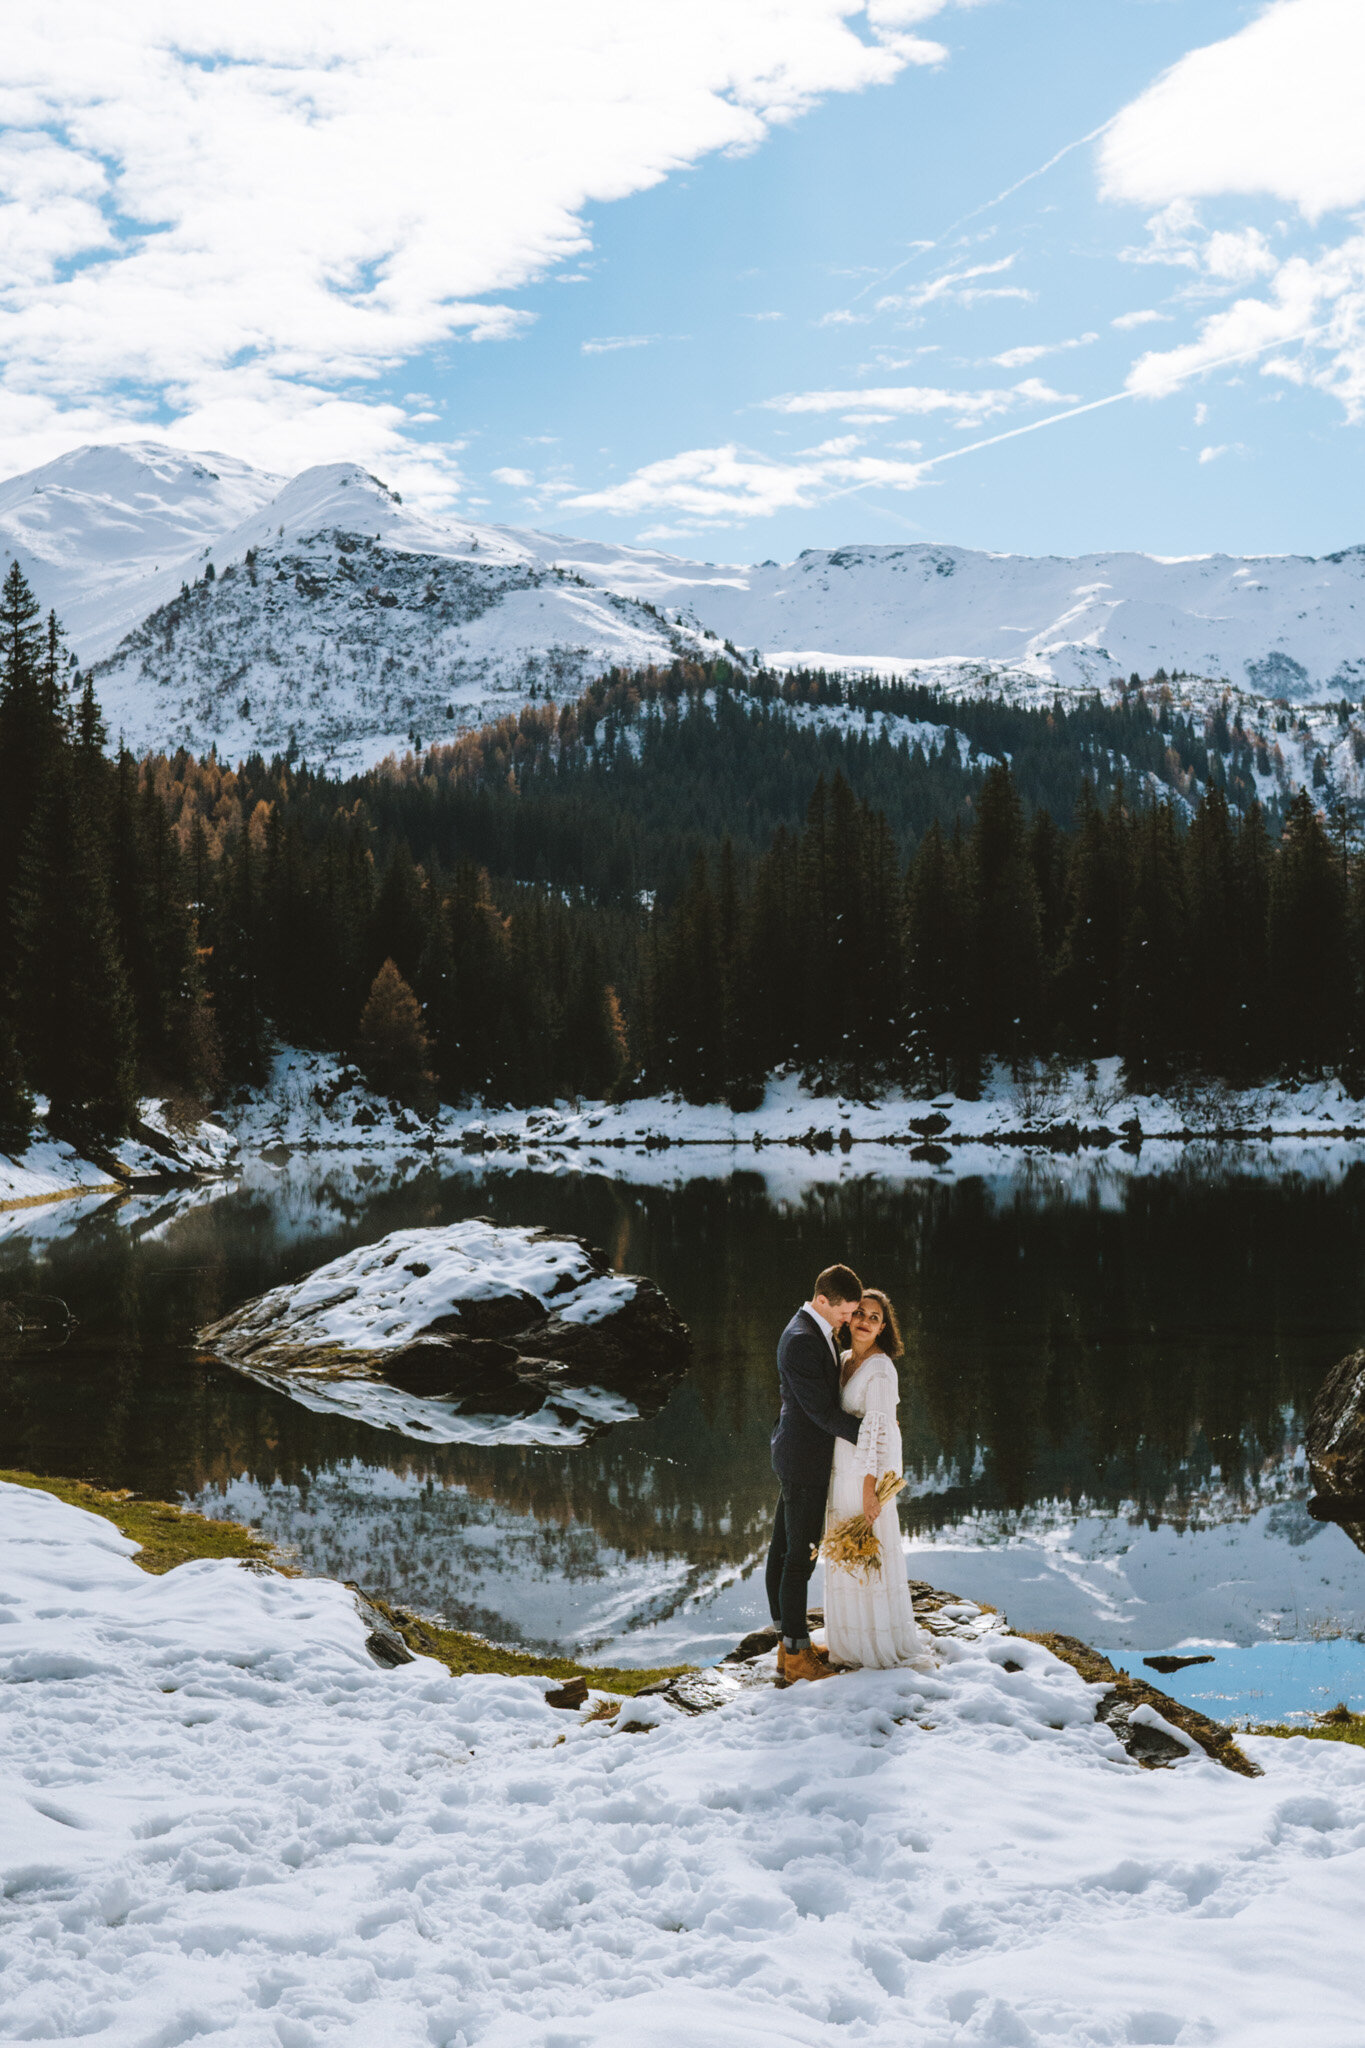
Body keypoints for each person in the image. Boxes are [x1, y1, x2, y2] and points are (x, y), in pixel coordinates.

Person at [765, 1263, 863, 1685]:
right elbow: (822, 1412)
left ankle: (790, 1643)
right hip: (803, 1459)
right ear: (823, 1301)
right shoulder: (803, 1340)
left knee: (785, 1547)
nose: (850, 1321)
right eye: (846, 1312)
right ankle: (795, 1654)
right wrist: (871, 1434)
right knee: (799, 1558)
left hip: (795, 1453)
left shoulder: (810, 1328)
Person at [823, 1289, 926, 1670]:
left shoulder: (881, 1369)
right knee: (848, 1552)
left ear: (883, 1328)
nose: (865, 1322)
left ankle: (876, 1645)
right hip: (842, 1469)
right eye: (860, 1314)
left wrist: (870, 1491)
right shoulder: (847, 1359)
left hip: (863, 1474)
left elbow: (879, 1432)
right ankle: (849, 1643)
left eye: (874, 1318)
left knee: (868, 1551)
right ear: (849, 1318)